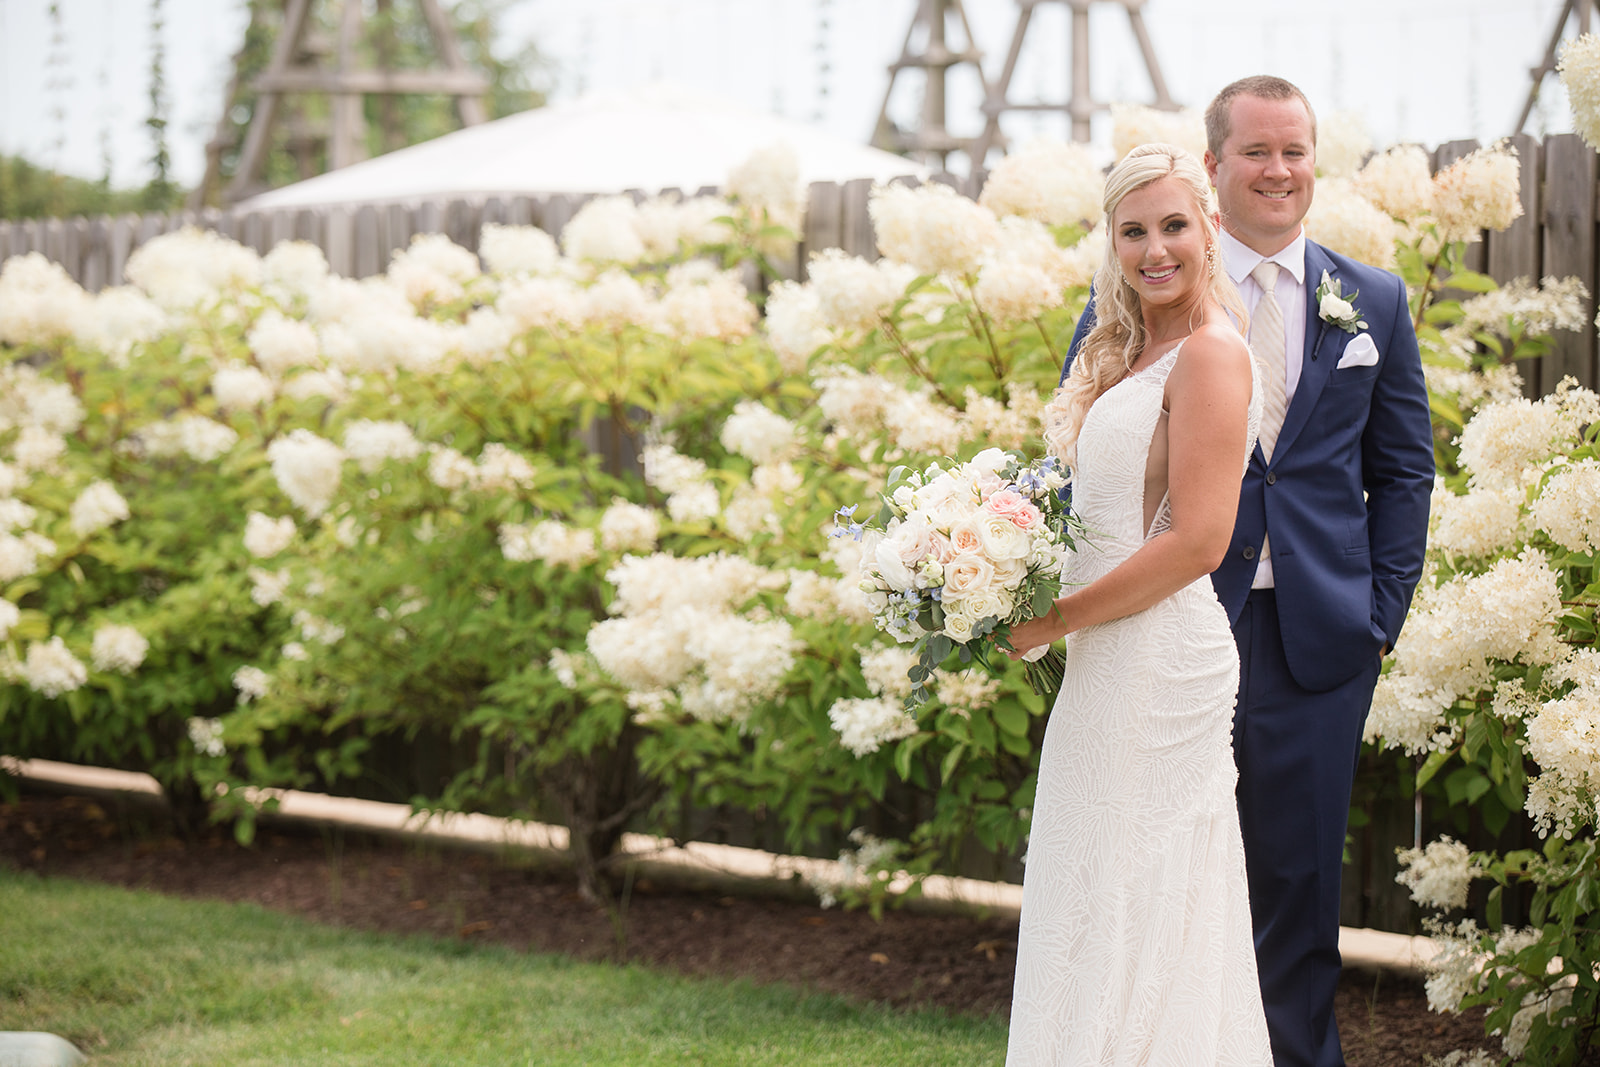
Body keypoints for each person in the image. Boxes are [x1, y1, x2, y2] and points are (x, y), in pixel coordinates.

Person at [1057, 77, 1435, 1067]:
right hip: (1166, 631)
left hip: (1316, 640)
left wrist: (1378, 615)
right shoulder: (1133, 297)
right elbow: (1078, 463)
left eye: (1295, 151)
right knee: (1159, 883)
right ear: (1213, 166)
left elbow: (1402, 469)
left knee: (1295, 893)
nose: (1278, 170)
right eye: (1256, 151)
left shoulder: (1372, 304)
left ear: (1313, 162)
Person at [1002, 142, 1272, 1066]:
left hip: (1159, 660)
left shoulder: (1211, 354)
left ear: (1212, 231)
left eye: (1173, 226)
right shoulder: (1126, 350)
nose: (1155, 249)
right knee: (1086, 884)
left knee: (1144, 897)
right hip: (1103, 660)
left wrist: (1055, 620)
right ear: (1111, 242)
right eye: (1133, 231)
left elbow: (1198, 540)